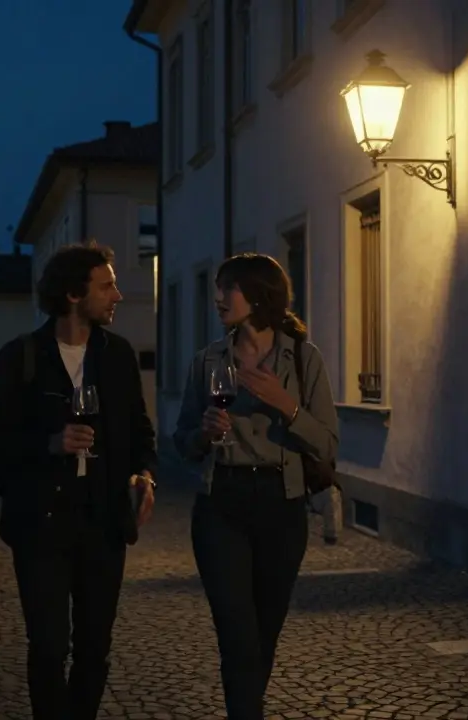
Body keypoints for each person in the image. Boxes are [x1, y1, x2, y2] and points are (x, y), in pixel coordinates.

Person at [0, 242, 157, 720]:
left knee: (95, 648)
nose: (118, 295)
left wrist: (144, 475)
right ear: (75, 294)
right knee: (49, 647)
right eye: (107, 286)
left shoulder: (117, 356)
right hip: (41, 525)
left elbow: (141, 432)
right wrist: (50, 444)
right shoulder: (21, 357)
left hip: (103, 522)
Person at [173, 252, 338, 720]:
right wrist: (203, 434)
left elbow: (327, 443)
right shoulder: (207, 360)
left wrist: (286, 405)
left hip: (279, 505)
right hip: (220, 505)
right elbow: (182, 441)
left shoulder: (303, 360)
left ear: (260, 295)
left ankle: (247, 706)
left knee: (264, 631)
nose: (219, 297)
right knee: (236, 632)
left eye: (231, 287)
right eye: (218, 287)